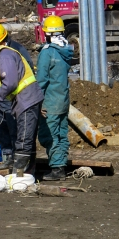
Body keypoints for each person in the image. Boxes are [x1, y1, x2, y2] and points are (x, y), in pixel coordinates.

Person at [0, 34, 44, 176]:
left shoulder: (4, 57)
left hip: (26, 99)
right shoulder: (3, 55)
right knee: (25, 136)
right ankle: (26, 171)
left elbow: (10, 83)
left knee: (24, 138)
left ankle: (20, 176)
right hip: (24, 99)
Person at [36, 16, 73, 181]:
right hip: (63, 100)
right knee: (61, 133)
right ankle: (62, 164)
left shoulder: (47, 53)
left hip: (50, 102)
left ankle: (57, 168)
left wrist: (36, 101)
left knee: (48, 135)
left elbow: (41, 80)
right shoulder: (65, 51)